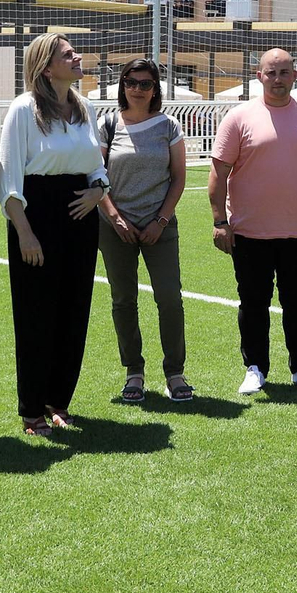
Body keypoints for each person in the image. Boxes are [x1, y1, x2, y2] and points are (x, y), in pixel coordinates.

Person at [0, 33, 110, 437]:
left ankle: (58, 402)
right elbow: (9, 179)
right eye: (67, 54)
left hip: (81, 217)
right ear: (47, 66)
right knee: (36, 315)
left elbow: (97, 163)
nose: (77, 57)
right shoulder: (23, 110)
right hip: (37, 216)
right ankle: (31, 410)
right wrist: (25, 233)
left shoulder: (86, 106)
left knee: (74, 311)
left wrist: (99, 189)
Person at [210, 48, 297, 395]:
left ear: (295, 76)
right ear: (259, 76)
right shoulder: (238, 118)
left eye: (284, 73)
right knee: (253, 302)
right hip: (250, 232)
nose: (278, 80)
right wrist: (220, 221)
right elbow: (219, 173)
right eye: (271, 73)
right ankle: (255, 367)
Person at [96, 58, 191, 403]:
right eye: (131, 82)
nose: (137, 89)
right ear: (123, 85)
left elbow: (179, 178)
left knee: (169, 298)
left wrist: (160, 220)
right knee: (124, 299)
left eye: (145, 83)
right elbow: (96, 177)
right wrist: (115, 218)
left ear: (156, 89)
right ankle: (133, 371)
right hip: (114, 227)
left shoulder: (168, 126)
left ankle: (175, 372)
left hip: (159, 226)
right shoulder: (107, 124)